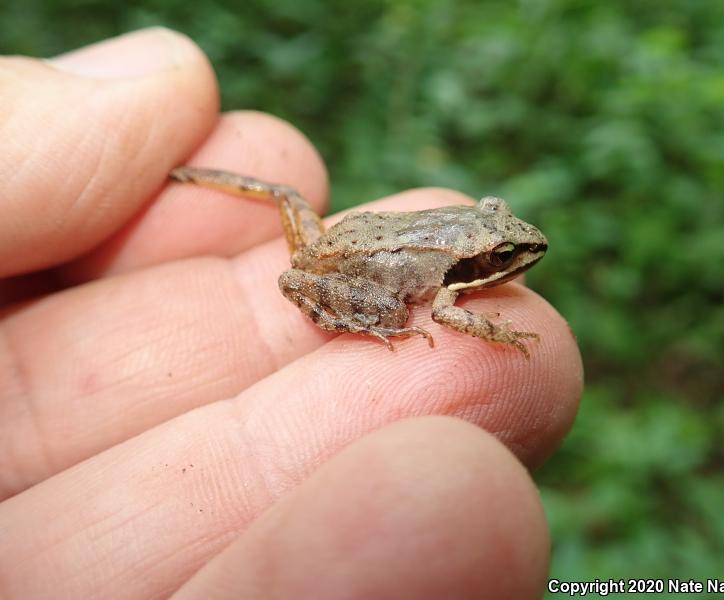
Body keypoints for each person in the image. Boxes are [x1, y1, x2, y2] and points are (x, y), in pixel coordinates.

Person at [0, 28, 583, 599]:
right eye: (503, 255)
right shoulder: (454, 291)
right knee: (398, 314)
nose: (517, 255)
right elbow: (449, 316)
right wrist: (497, 333)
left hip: (345, 241)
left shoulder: (457, 253)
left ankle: (198, 178)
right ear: (477, 256)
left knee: (289, 195)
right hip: (353, 269)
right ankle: (361, 312)